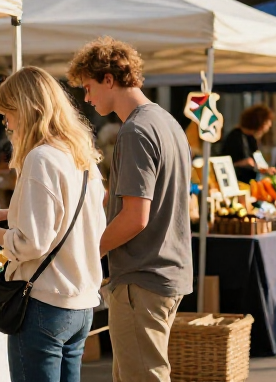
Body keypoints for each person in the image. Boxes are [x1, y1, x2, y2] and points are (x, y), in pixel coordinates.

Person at [0, 66, 105, 382]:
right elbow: (77, 219)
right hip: (80, 302)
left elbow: (31, 243)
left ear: (27, 111)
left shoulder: (41, 158)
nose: (8, 124)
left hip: (46, 302)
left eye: (8, 114)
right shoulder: (80, 154)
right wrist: (9, 215)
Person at [67, 36, 193, 382]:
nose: (87, 98)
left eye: (88, 87)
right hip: (163, 271)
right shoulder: (166, 122)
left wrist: (89, 254)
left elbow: (136, 217)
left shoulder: (136, 130)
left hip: (143, 275)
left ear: (109, 78)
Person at [220, 104, 275, 183]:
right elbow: (224, 163)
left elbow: (258, 159)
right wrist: (242, 163)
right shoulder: (234, 137)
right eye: (266, 123)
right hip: (236, 181)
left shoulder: (251, 138)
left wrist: (267, 169)